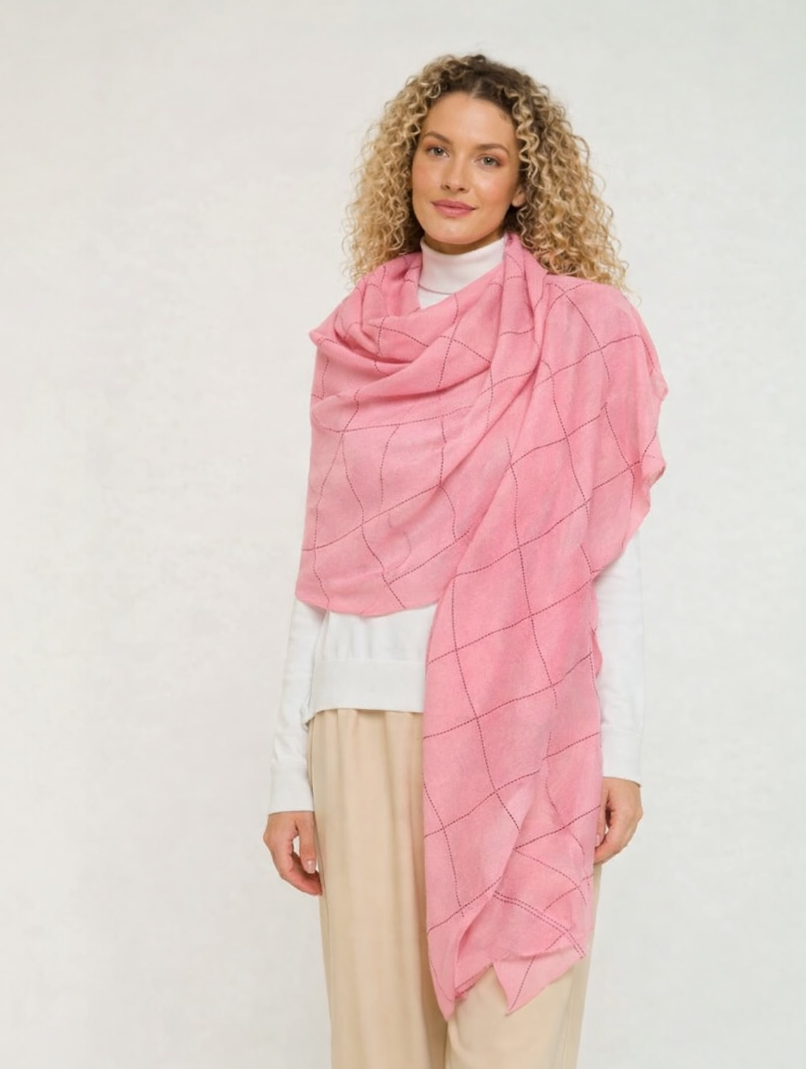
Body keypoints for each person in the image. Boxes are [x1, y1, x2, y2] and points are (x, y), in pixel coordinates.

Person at [263, 53, 667, 1069]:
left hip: (528, 726)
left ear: (524, 182)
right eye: (437, 150)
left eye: (488, 159)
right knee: (382, 1047)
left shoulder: (586, 331)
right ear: (405, 165)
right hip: (363, 720)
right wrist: (286, 775)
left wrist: (621, 752)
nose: (456, 177)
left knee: (512, 1040)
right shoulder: (361, 340)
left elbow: (609, 560)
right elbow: (320, 573)